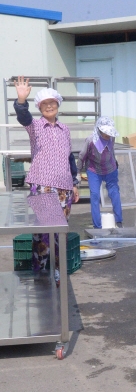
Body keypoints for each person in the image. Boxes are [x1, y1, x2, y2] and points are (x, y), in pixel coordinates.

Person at [13, 76, 79, 283]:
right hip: (42, 186)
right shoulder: (35, 127)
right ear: (40, 108)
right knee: (42, 232)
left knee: (61, 232)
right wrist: (21, 100)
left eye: (52, 103)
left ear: (58, 105)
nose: (49, 107)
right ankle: (40, 272)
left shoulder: (65, 129)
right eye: (44, 104)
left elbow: (70, 157)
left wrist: (74, 183)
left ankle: (58, 271)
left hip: (64, 188)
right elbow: (23, 116)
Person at [77, 117, 123, 229]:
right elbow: (82, 156)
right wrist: (78, 172)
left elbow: (111, 151)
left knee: (114, 192)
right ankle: (97, 226)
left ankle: (119, 221)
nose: (108, 135)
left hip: (110, 168)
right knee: (95, 195)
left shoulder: (111, 139)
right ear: (99, 130)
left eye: (109, 133)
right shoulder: (90, 141)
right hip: (94, 170)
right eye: (105, 133)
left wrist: (115, 165)